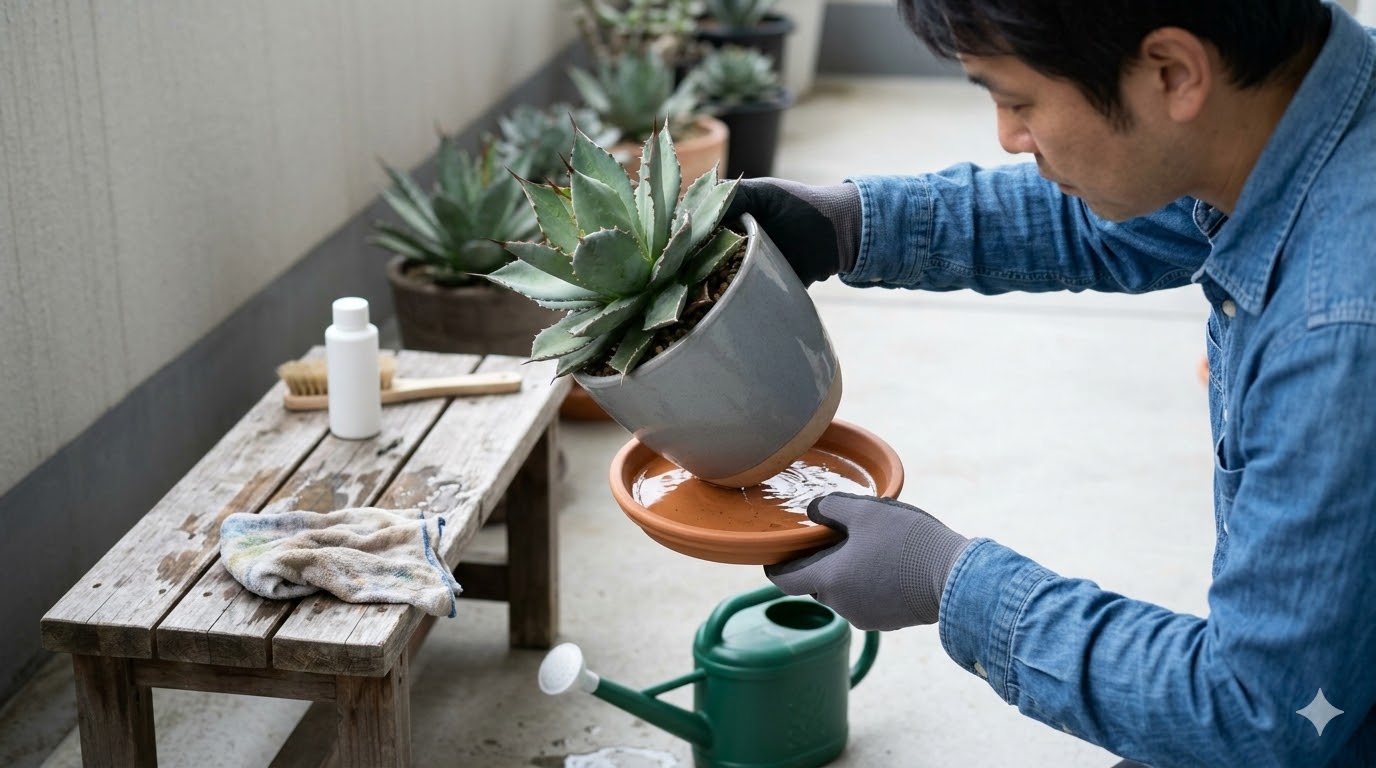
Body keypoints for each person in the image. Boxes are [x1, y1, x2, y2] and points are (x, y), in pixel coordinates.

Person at [724, 1, 1376, 765]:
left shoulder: (1336, 331)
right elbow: (1116, 213)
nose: (1007, 134)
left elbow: (1254, 716)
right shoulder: (1285, 106)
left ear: (1171, 72)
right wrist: (851, 224)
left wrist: (946, 581)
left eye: (1017, 100)